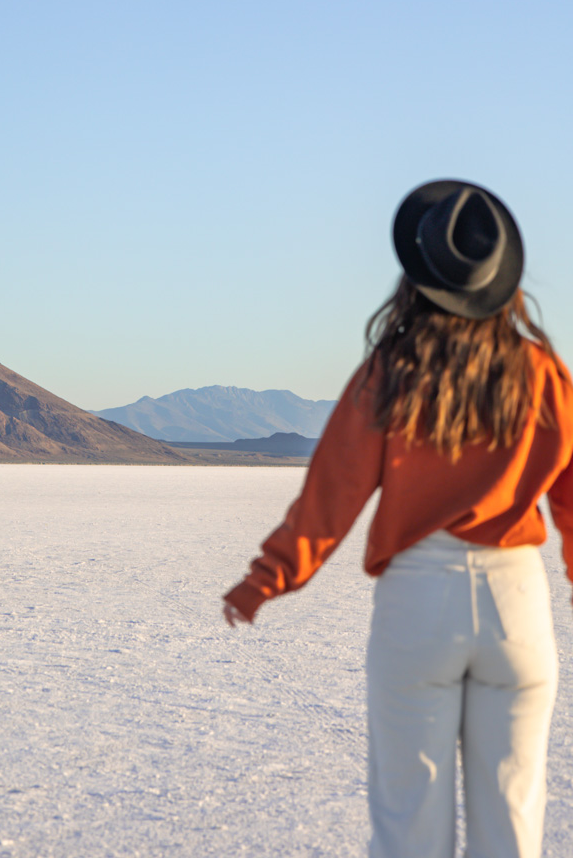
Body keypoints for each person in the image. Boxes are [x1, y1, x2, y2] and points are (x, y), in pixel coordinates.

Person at [222, 179, 573, 858]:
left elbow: (332, 496)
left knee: (410, 825)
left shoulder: (389, 373)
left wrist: (265, 579)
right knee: (514, 827)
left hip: (419, 604)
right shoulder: (544, 374)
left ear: (418, 281)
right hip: (517, 605)